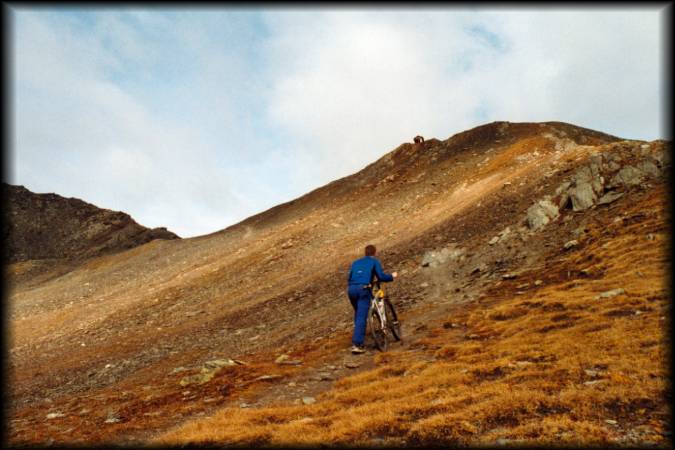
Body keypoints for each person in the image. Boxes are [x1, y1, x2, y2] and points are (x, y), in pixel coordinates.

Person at [347, 244, 397, 354]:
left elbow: (349, 277)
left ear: (365, 253)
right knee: (361, 316)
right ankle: (357, 344)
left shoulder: (355, 263)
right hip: (363, 288)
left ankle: (359, 334)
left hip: (351, 289)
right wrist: (392, 276)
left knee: (358, 314)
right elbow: (381, 277)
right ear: (374, 253)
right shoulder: (374, 261)